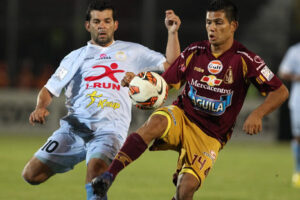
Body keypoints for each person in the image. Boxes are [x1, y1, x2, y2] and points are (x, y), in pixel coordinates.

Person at [91, 0, 289, 199]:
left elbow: (280, 91)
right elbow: (165, 83)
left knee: (185, 189)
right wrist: (136, 83)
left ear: (233, 26)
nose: (212, 28)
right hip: (183, 116)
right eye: (208, 22)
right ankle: (108, 176)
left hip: (210, 136)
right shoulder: (195, 51)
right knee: (156, 122)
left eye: (218, 22)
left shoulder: (245, 59)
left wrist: (257, 114)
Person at [21, 0, 181, 199]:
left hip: (109, 130)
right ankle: (78, 154)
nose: (102, 25)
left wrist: (172, 33)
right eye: (97, 21)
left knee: (96, 173)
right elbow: (48, 90)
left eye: (107, 21)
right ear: (88, 26)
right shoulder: (75, 56)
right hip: (74, 129)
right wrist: (40, 107)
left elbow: (173, 66)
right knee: (31, 175)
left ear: (115, 25)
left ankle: (94, 164)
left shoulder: (133, 51)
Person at [278, 42, 300, 188]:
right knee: (298, 136)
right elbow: (283, 71)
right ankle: (298, 172)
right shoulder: (295, 51)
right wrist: (297, 77)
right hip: (299, 101)